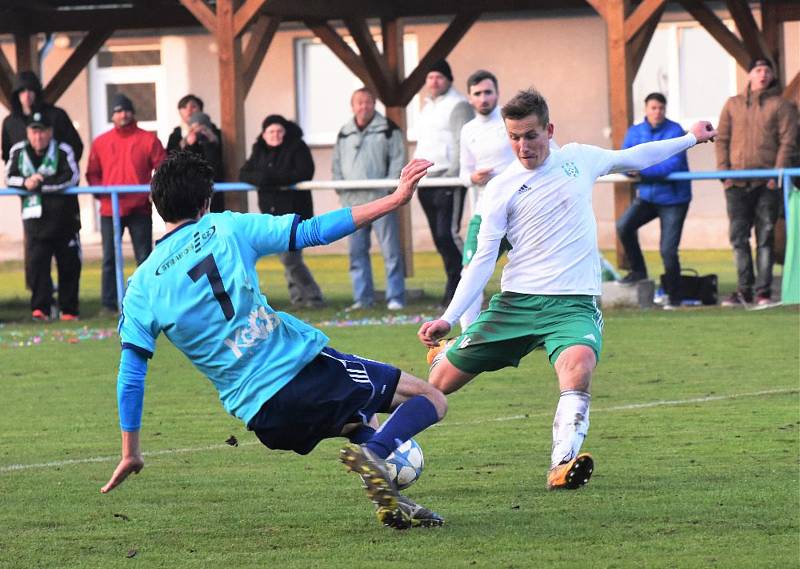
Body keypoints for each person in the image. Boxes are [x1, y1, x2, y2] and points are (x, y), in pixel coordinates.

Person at [100, 151, 447, 530]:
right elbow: (313, 231)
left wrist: (130, 452)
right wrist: (395, 199)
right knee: (430, 398)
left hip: (262, 417)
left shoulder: (141, 286)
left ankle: (392, 501)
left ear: (156, 203)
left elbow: (130, 375)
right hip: (299, 372)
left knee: (357, 419)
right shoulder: (226, 228)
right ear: (205, 202)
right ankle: (379, 455)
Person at [418, 88, 717, 491]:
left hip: (573, 305)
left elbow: (635, 157)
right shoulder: (501, 188)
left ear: (549, 130)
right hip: (516, 304)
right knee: (439, 387)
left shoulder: (579, 159)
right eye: (514, 137)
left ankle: (561, 463)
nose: (522, 146)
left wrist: (690, 138)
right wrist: (448, 317)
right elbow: (482, 260)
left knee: (578, 368)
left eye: (530, 135)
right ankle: (441, 359)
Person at [716, 58, 798, 307]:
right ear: (749, 74)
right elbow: (721, 139)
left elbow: (788, 141)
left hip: (767, 184)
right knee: (739, 238)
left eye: (767, 71)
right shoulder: (732, 105)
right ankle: (744, 290)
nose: (762, 75)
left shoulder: (781, 105)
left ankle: (763, 291)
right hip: (737, 184)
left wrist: (777, 175)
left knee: (765, 237)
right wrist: (724, 174)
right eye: (758, 70)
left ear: (772, 76)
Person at [86, 93, 167, 313]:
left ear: (132, 113)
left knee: (144, 257)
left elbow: (163, 168)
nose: (123, 114)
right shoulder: (101, 142)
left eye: (126, 110)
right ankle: (108, 304)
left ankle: (147, 302)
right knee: (110, 258)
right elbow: (92, 173)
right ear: (112, 115)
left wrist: (154, 191)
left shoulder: (148, 139)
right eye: (118, 111)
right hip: (110, 210)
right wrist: (103, 196)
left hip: (139, 208)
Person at [332, 87, 407, 310]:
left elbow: (397, 160)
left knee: (391, 251)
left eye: (367, 102)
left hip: (381, 201)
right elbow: (336, 164)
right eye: (359, 102)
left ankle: (395, 297)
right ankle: (362, 298)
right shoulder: (344, 132)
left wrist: (389, 191)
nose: (363, 107)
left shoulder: (388, 129)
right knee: (356, 253)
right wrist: (341, 190)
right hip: (352, 204)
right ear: (352, 106)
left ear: (374, 104)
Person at [239, 115, 325, 308]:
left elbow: (304, 172)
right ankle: (298, 298)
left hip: (295, 213)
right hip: (271, 213)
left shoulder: (297, 147)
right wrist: (265, 179)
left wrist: (270, 178)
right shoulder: (259, 149)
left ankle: (313, 296)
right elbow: (244, 173)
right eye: (271, 132)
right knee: (287, 258)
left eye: (279, 131)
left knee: (290, 259)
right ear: (264, 134)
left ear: (285, 133)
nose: (275, 135)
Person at [615, 93, 692, 310]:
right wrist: (629, 168)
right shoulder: (635, 131)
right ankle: (638, 270)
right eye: (653, 108)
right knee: (623, 226)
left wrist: (639, 169)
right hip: (648, 196)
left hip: (674, 198)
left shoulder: (675, 131)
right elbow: (624, 159)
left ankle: (674, 298)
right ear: (646, 109)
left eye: (661, 108)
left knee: (667, 249)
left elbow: (672, 166)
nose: (657, 111)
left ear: (665, 110)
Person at [4, 112, 81, 321]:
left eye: (43, 131)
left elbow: (72, 176)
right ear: (28, 133)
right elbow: (9, 177)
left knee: (68, 265)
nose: (38, 137)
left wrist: (41, 183)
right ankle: (40, 310)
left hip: (64, 220)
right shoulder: (18, 151)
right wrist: (25, 182)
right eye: (34, 131)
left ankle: (69, 310)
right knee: (38, 266)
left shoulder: (63, 150)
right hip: (35, 222)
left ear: (50, 132)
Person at [457, 70, 517, 329]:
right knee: (470, 272)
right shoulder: (468, 130)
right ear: (470, 98)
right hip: (485, 212)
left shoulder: (512, 120)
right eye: (478, 94)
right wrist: (473, 177)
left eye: (488, 92)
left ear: (497, 93)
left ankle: (541, 328)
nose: (484, 98)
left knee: (531, 271)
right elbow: (462, 173)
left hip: (520, 209)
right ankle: (466, 337)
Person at [414, 60, 475, 306]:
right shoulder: (427, 107)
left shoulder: (458, 104)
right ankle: (453, 287)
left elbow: (463, 141)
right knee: (439, 239)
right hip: (427, 181)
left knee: (447, 234)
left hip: (447, 178)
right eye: (430, 77)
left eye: (439, 77)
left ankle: (468, 284)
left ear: (448, 79)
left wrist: (453, 174)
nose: (434, 82)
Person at [2, 71, 83, 163]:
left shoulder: (57, 116)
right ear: (17, 94)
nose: (27, 95)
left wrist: (62, 171)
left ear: (37, 92)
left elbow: (75, 147)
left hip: (55, 173)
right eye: (22, 91)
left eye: (30, 90)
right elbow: (8, 156)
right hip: (25, 175)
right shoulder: (10, 122)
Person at [165, 94, 225, 212]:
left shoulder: (215, 132)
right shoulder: (177, 134)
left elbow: (219, 161)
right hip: (185, 187)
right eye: (184, 107)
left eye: (193, 106)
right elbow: (170, 158)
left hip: (213, 188)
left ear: (200, 109)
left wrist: (210, 141)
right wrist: (186, 143)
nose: (189, 111)